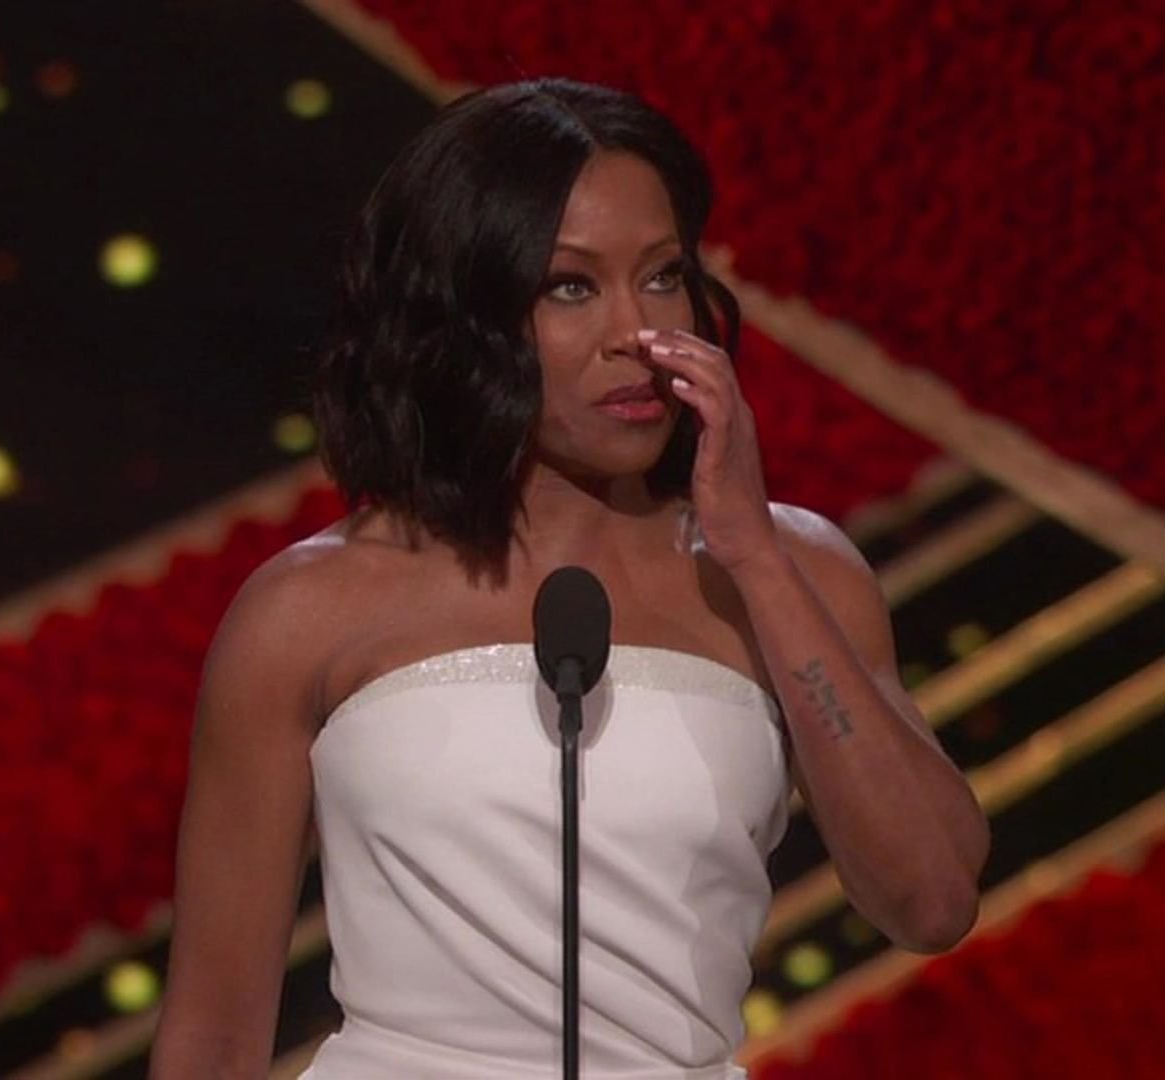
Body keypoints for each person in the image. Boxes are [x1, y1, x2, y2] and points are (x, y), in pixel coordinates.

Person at [151, 77, 990, 1080]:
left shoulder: (792, 571)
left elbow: (932, 900)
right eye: (571, 287)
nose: (636, 334)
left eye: (663, 276)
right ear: (464, 315)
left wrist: (755, 558)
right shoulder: (307, 612)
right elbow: (213, 1037)